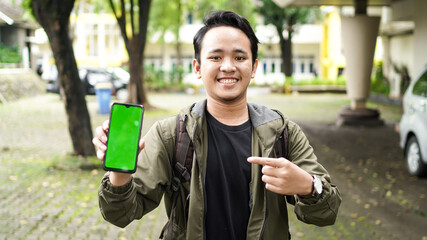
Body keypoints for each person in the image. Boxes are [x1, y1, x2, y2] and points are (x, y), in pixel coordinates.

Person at [93, 10, 341, 240]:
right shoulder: (172, 134)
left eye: (239, 57)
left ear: (253, 67)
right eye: (216, 56)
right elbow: (120, 214)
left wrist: (309, 186)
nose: (228, 66)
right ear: (198, 68)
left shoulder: (283, 133)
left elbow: (327, 213)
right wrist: (120, 174)